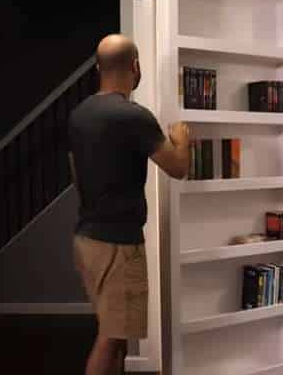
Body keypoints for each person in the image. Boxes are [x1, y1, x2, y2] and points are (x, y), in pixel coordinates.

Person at [68, 34, 189, 375]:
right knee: (110, 337)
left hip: (86, 239)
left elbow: (76, 174)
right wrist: (181, 139)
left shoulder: (79, 114)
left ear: (98, 68)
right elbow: (178, 168)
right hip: (118, 245)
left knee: (115, 333)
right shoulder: (133, 116)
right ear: (135, 67)